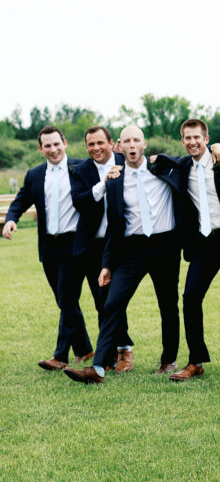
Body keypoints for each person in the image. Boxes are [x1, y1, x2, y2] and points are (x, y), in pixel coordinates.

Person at [64, 124, 184, 384]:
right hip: (132, 250)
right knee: (112, 304)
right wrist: (107, 264)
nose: (132, 145)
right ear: (119, 146)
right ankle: (97, 368)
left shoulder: (163, 167)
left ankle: (169, 359)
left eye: (136, 140)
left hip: (165, 247)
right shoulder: (115, 180)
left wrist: (217, 148)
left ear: (144, 144)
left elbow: (192, 156)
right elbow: (114, 226)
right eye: (127, 141)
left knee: (168, 304)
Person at [150, 119, 220, 381]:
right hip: (203, 243)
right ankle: (196, 361)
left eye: (197, 137)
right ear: (182, 141)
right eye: (187, 138)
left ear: (207, 139)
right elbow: (153, 162)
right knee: (190, 297)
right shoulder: (182, 166)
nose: (192, 142)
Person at [2, 126, 94, 370]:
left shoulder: (82, 168)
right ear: (40, 148)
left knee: (66, 297)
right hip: (49, 247)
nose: (53, 149)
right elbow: (20, 200)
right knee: (65, 301)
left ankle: (60, 356)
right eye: (48, 146)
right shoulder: (34, 174)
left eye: (57, 144)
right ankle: (84, 349)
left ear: (64, 143)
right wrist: (11, 219)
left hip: (76, 244)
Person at [69, 126, 132, 371]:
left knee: (115, 300)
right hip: (93, 246)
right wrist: (103, 183)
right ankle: (107, 354)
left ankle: (124, 350)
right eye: (90, 144)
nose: (95, 148)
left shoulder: (127, 162)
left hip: (121, 243)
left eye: (99, 143)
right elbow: (80, 201)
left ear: (111, 143)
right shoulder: (81, 170)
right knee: (100, 301)